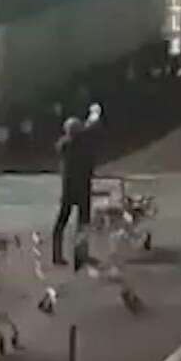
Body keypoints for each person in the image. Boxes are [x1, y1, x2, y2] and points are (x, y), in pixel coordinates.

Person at [52, 105, 102, 265]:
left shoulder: (64, 145)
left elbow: (86, 129)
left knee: (62, 221)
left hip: (68, 188)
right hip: (82, 187)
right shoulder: (83, 142)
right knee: (83, 223)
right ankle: (80, 254)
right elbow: (92, 126)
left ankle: (57, 254)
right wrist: (94, 113)